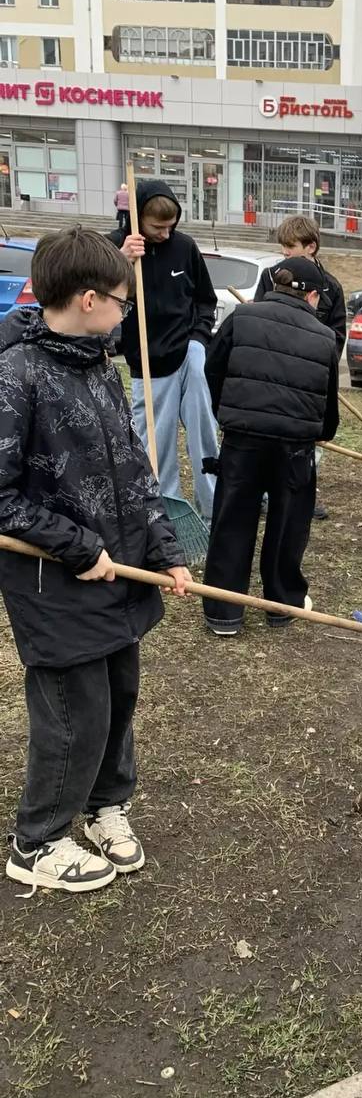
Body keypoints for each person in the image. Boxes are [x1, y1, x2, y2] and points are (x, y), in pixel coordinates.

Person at [0, 227, 191, 894]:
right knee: (73, 713)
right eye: (120, 300)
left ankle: (104, 804)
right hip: (55, 582)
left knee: (118, 697)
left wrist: (166, 549)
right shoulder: (16, 374)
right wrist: (80, 547)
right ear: (87, 299)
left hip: (122, 572)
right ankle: (38, 841)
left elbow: (135, 471)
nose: (124, 312)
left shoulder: (100, 367)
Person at [202, 256, 340, 636]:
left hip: (243, 438)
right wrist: (323, 431)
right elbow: (329, 397)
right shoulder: (324, 336)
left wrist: (226, 412)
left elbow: (212, 367)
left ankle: (223, 611)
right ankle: (283, 603)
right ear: (312, 295)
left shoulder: (242, 318)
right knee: (289, 523)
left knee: (233, 518)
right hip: (295, 446)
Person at [108, 179, 219, 523]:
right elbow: (94, 294)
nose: (166, 235)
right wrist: (121, 261)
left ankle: (214, 507)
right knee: (156, 448)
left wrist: (199, 341)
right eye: (158, 227)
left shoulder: (184, 247)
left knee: (204, 432)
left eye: (171, 227)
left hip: (189, 351)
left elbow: (205, 300)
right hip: (149, 364)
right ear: (138, 219)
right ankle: (163, 515)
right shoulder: (112, 248)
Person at [253, 214, 346, 521]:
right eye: (282, 246)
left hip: (310, 378)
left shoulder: (331, 288)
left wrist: (321, 366)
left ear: (311, 247)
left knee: (310, 440)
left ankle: (301, 493)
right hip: (275, 374)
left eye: (290, 246)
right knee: (273, 432)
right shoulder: (270, 277)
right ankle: (266, 493)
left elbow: (337, 335)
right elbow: (261, 321)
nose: (284, 252)